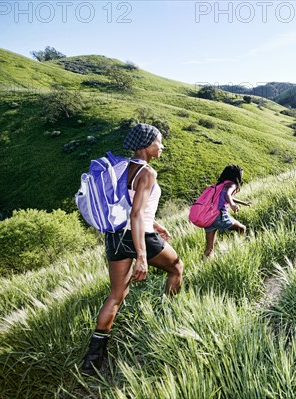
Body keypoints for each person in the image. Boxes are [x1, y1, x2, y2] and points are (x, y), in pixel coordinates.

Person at [81, 123, 184, 376]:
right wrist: (141, 255)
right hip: (138, 237)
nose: (162, 146)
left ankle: (92, 362)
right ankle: (168, 318)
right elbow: (136, 214)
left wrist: (156, 224)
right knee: (177, 268)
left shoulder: (123, 167)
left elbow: (130, 205)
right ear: (147, 144)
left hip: (114, 237)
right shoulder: (147, 172)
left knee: (116, 295)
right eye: (159, 141)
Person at [204, 164, 251, 257]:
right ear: (236, 176)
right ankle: (240, 250)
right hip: (218, 216)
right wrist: (233, 205)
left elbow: (227, 196)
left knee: (209, 248)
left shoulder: (220, 184)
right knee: (242, 229)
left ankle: (203, 266)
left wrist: (243, 202)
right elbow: (228, 195)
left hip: (209, 217)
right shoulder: (232, 184)